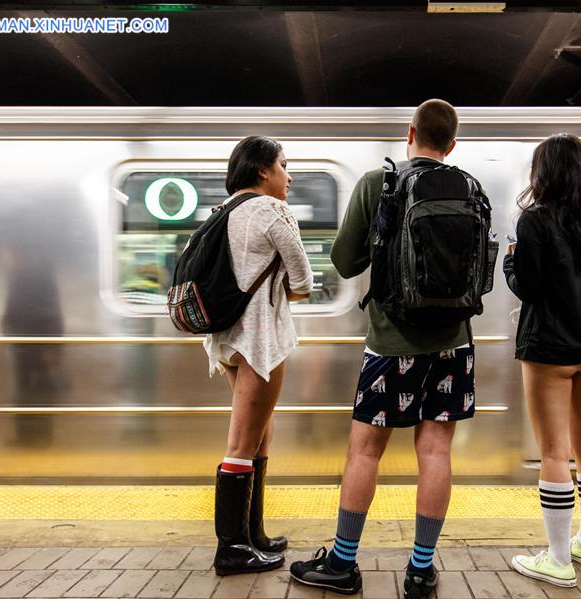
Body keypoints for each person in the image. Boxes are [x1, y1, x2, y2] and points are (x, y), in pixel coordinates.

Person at [290, 99, 477, 599]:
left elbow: (345, 263)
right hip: (454, 345)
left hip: (391, 344)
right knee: (436, 452)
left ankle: (344, 564)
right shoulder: (469, 188)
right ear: (452, 144)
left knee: (365, 451)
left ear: (409, 132)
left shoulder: (379, 182)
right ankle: (419, 571)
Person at [503, 133, 581, 588]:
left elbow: (527, 287)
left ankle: (557, 558)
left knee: (554, 453)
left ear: (544, 172)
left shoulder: (535, 220)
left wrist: (511, 262)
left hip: (549, 348)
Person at [204, 136, 313, 575]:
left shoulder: (220, 213)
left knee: (258, 434)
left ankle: (253, 535)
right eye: (285, 166)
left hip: (227, 339)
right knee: (243, 441)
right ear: (263, 170)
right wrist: (283, 290)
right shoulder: (270, 211)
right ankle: (231, 549)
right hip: (259, 341)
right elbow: (303, 280)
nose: (290, 176)